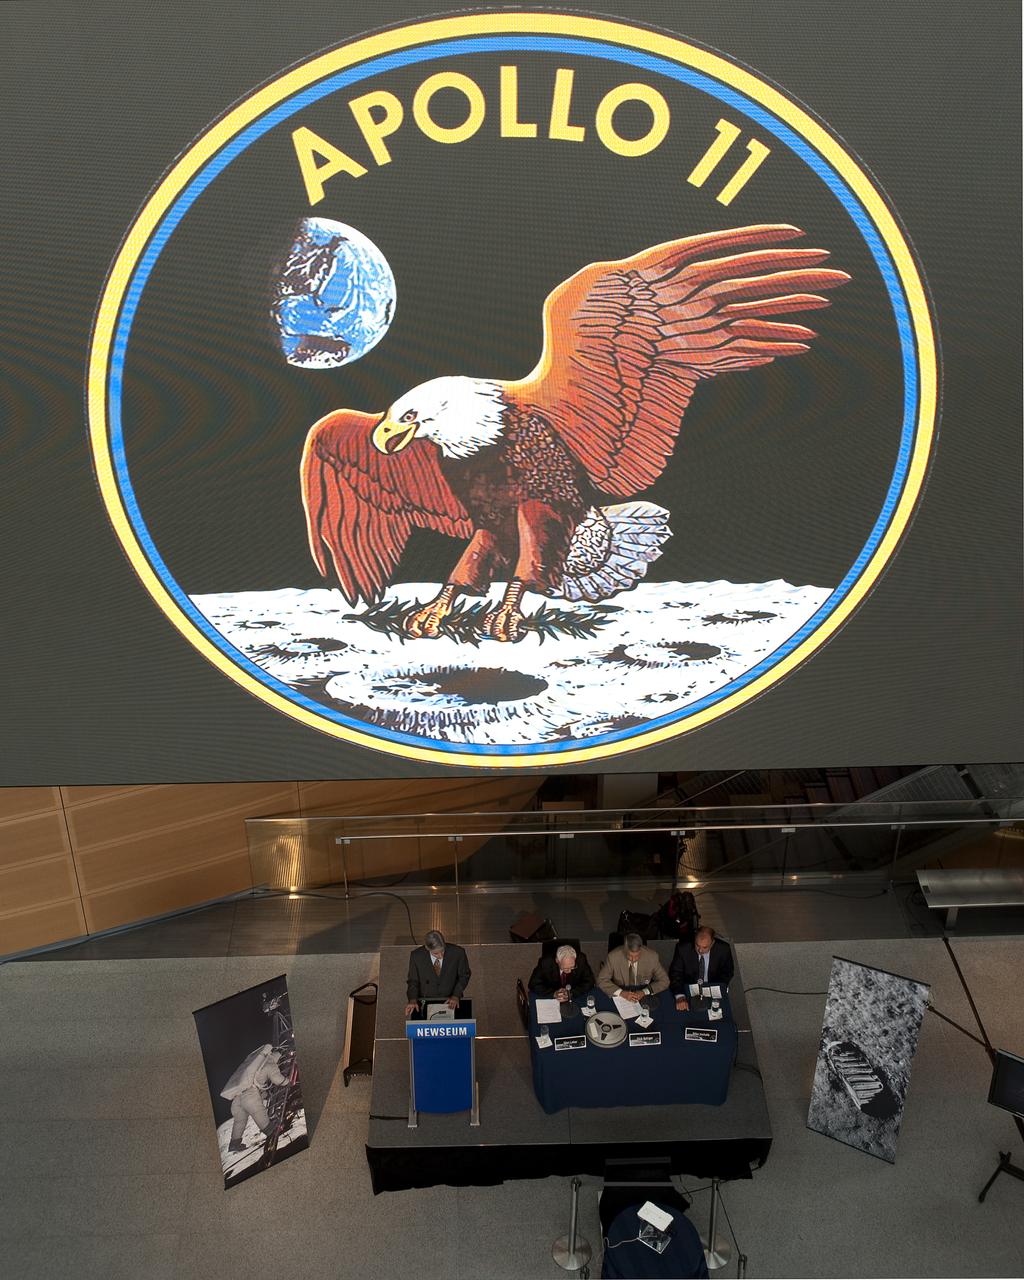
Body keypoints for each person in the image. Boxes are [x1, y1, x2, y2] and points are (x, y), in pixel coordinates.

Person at [221, 1043, 288, 1153]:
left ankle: (234, 1144)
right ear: (278, 1057)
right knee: (258, 1112)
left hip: (237, 1097)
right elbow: (277, 1079)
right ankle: (272, 1133)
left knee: (239, 1121)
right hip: (250, 1094)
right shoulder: (270, 1063)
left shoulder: (258, 1062)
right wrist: (288, 1081)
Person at [404, 929, 471, 1017]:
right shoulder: (416, 956)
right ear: (427, 949)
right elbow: (413, 981)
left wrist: (456, 995)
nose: (440, 956)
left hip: (451, 1000)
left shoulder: (458, 952)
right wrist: (412, 1000)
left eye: (442, 951)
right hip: (425, 1001)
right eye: (436, 953)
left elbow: (464, 975)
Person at [670, 926, 735, 1010]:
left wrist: (716, 987)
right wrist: (680, 996)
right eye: (697, 945)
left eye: (705, 947)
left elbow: (728, 971)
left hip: (712, 984)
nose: (700, 950)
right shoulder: (683, 948)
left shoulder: (724, 949)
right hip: (690, 984)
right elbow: (675, 973)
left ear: (712, 943)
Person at [597, 932, 670, 1002]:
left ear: (641, 950)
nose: (633, 959)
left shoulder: (652, 957)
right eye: (630, 956)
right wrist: (622, 993)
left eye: (637, 956)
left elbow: (665, 980)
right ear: (625, 950)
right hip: (621, 990)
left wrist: (644, 992)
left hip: (642, 990)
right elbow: (601, 980)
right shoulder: (613, 957)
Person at [528, 944, 596, 1002]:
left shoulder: (581, 959)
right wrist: (554, 993)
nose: (569, 971)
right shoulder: (545, 963)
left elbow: (590, 981)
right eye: (566, 968)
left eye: (572, 967)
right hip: (553, 998)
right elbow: (533, 984)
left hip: (574, 996)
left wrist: (571, 993)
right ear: (557, 960)